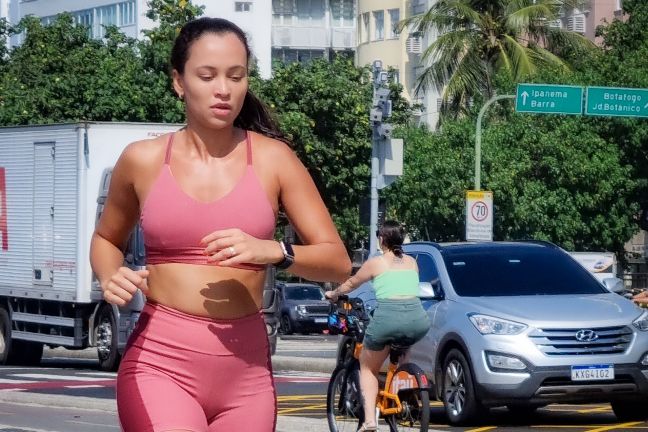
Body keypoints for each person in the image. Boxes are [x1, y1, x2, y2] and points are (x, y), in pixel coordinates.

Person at [89, 17, 351, 432]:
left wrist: (274, 252)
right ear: (179, 81)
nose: (224, 89)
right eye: (207, 76)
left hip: (246, 376)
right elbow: (106, 238)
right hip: (160, 365)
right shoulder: (142, 159)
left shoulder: (274, 158)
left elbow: (337, 261)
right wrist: (109, 274)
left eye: (236, 75)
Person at [325, 220, 430, 432]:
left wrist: (334, 294)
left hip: (388, 317)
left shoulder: (376, 262)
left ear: (382, 239)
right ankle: (402, 388)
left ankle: (370, 421)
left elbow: (353, 282)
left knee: (367, 368)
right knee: (401, 346)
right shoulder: (412, 262)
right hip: (418, 320)